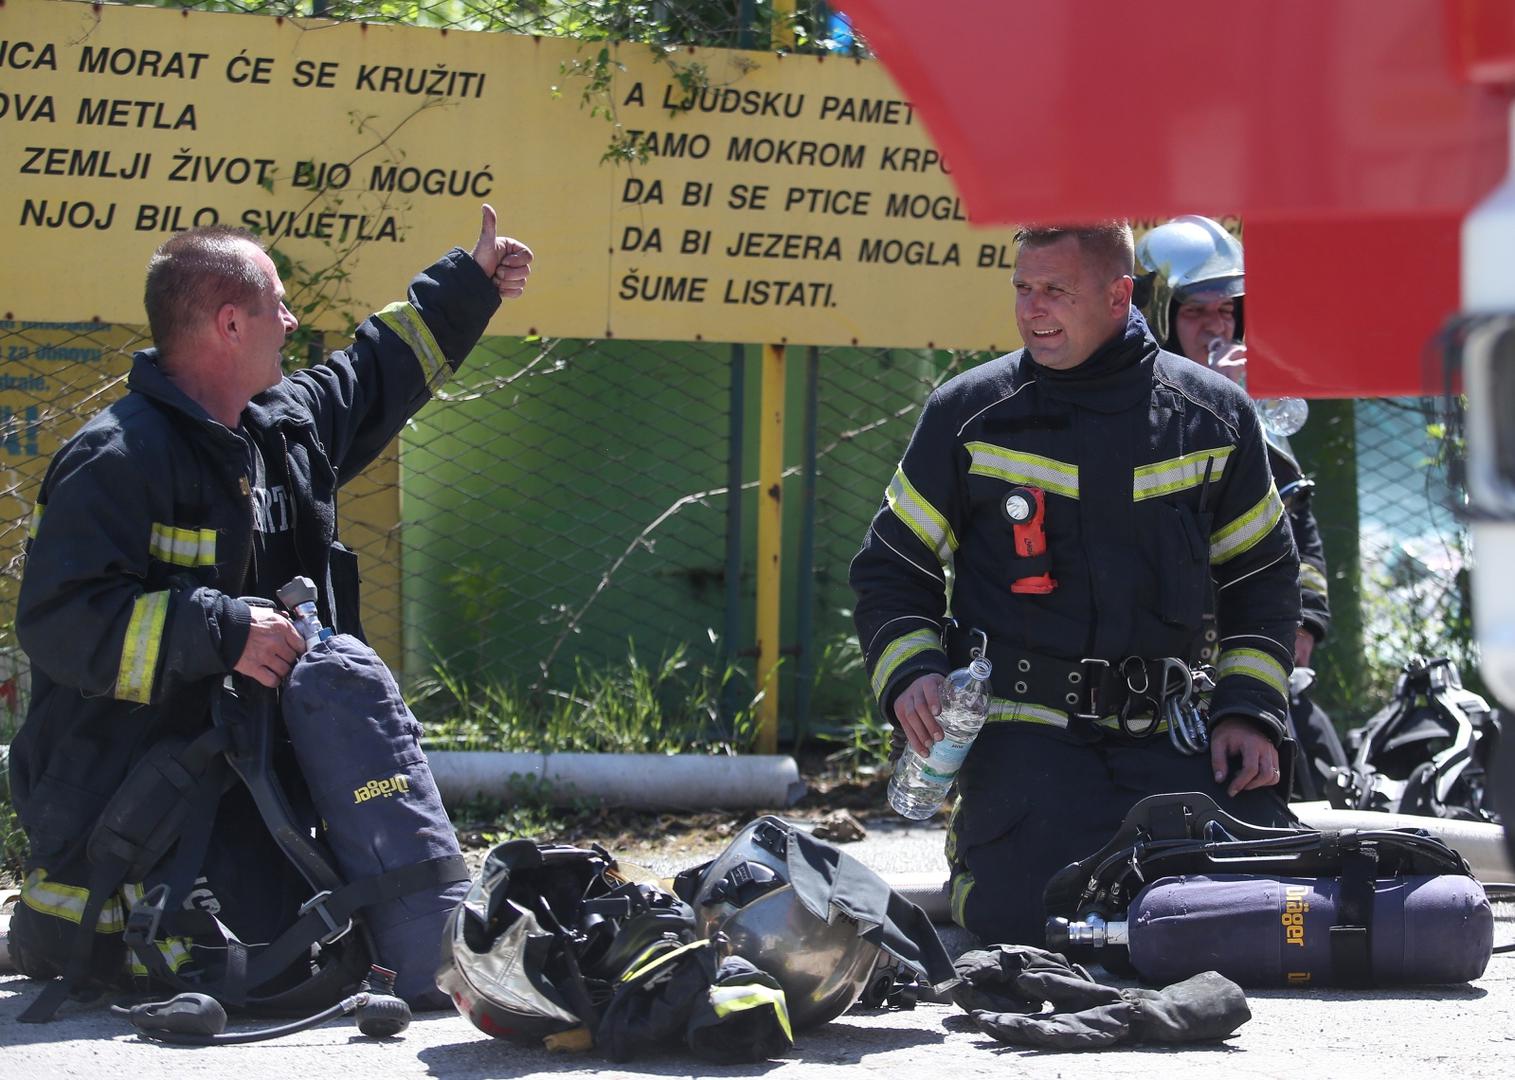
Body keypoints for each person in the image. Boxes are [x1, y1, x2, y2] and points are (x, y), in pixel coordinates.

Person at [6, 205, 532, 994]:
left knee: (310, 949)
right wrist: (220, 629)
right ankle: (55, 939)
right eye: (276, 305)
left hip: (247, 786)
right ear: (228, 323)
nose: (290, 321)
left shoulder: (278, 429)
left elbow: (371, 373)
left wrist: (469, 285)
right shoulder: (115, 458)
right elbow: (58, 624)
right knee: (238, 963)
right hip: (132, 800)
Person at [850, 221, 1299, 947]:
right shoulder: (970, 414)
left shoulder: (1211, 417)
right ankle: (986, 856)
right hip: (1026, 732)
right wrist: (912, 673)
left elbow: (1264, 577)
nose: (1032, 310)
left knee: (1247, 909)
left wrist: (1247, 711)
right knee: (1025, 915)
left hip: (1169, 732)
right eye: (1022, 289)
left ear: (1119, 295)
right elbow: (891, 567)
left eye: (1055, 291)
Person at [1134, 215, 1348, 801]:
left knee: (1311, 768)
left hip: (1247, 647)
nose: (1215, 329)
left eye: (1225, 312)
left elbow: (1295, 515)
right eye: (1196, 313)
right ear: (1160, 318)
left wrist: (1303, 620)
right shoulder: (1134, 412)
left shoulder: (1252, 413)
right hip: (1159, 671)